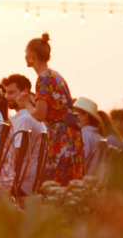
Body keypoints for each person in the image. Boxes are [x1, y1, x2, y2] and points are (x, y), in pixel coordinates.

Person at [18, 33, 84, 186]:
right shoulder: (55, 76)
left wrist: (25, 105)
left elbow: (40, 115)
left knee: (56, 185)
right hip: (71, 135)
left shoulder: (43, 78)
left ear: (32, 55)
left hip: (60, 136)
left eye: (26, 53)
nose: (25, 57)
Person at [0, 74, 47, 194]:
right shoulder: (29, 115)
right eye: (6, 93)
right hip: (31, 181)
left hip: (20, 184)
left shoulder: (24, 118)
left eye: (11, 92)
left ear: (25, 91)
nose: (7, 97)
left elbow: (17, 155)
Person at [73, 97, 103, 172]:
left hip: (84, 177)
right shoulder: (97, 135)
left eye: (76, 113)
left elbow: (80, 159)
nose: (73, 116)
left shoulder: (84, 134)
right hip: (94, 175)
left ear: (85, 115)